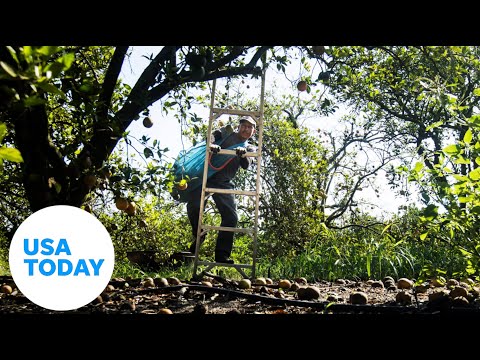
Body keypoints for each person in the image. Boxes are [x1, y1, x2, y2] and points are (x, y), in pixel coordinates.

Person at [186, 117, 256, 264]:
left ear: (253, 131)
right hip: (204, 177)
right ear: (238, 126)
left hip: (222, 182)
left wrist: (242, 154)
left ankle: (221, 255)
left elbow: (246, 164)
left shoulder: (249, 148)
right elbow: (210, 136)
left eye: (250, 127)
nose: (246, 129)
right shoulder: (226, 132)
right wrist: (212, 144)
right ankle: (199, 236)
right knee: (194, 206)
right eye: (244, 126)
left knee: (231, 217)